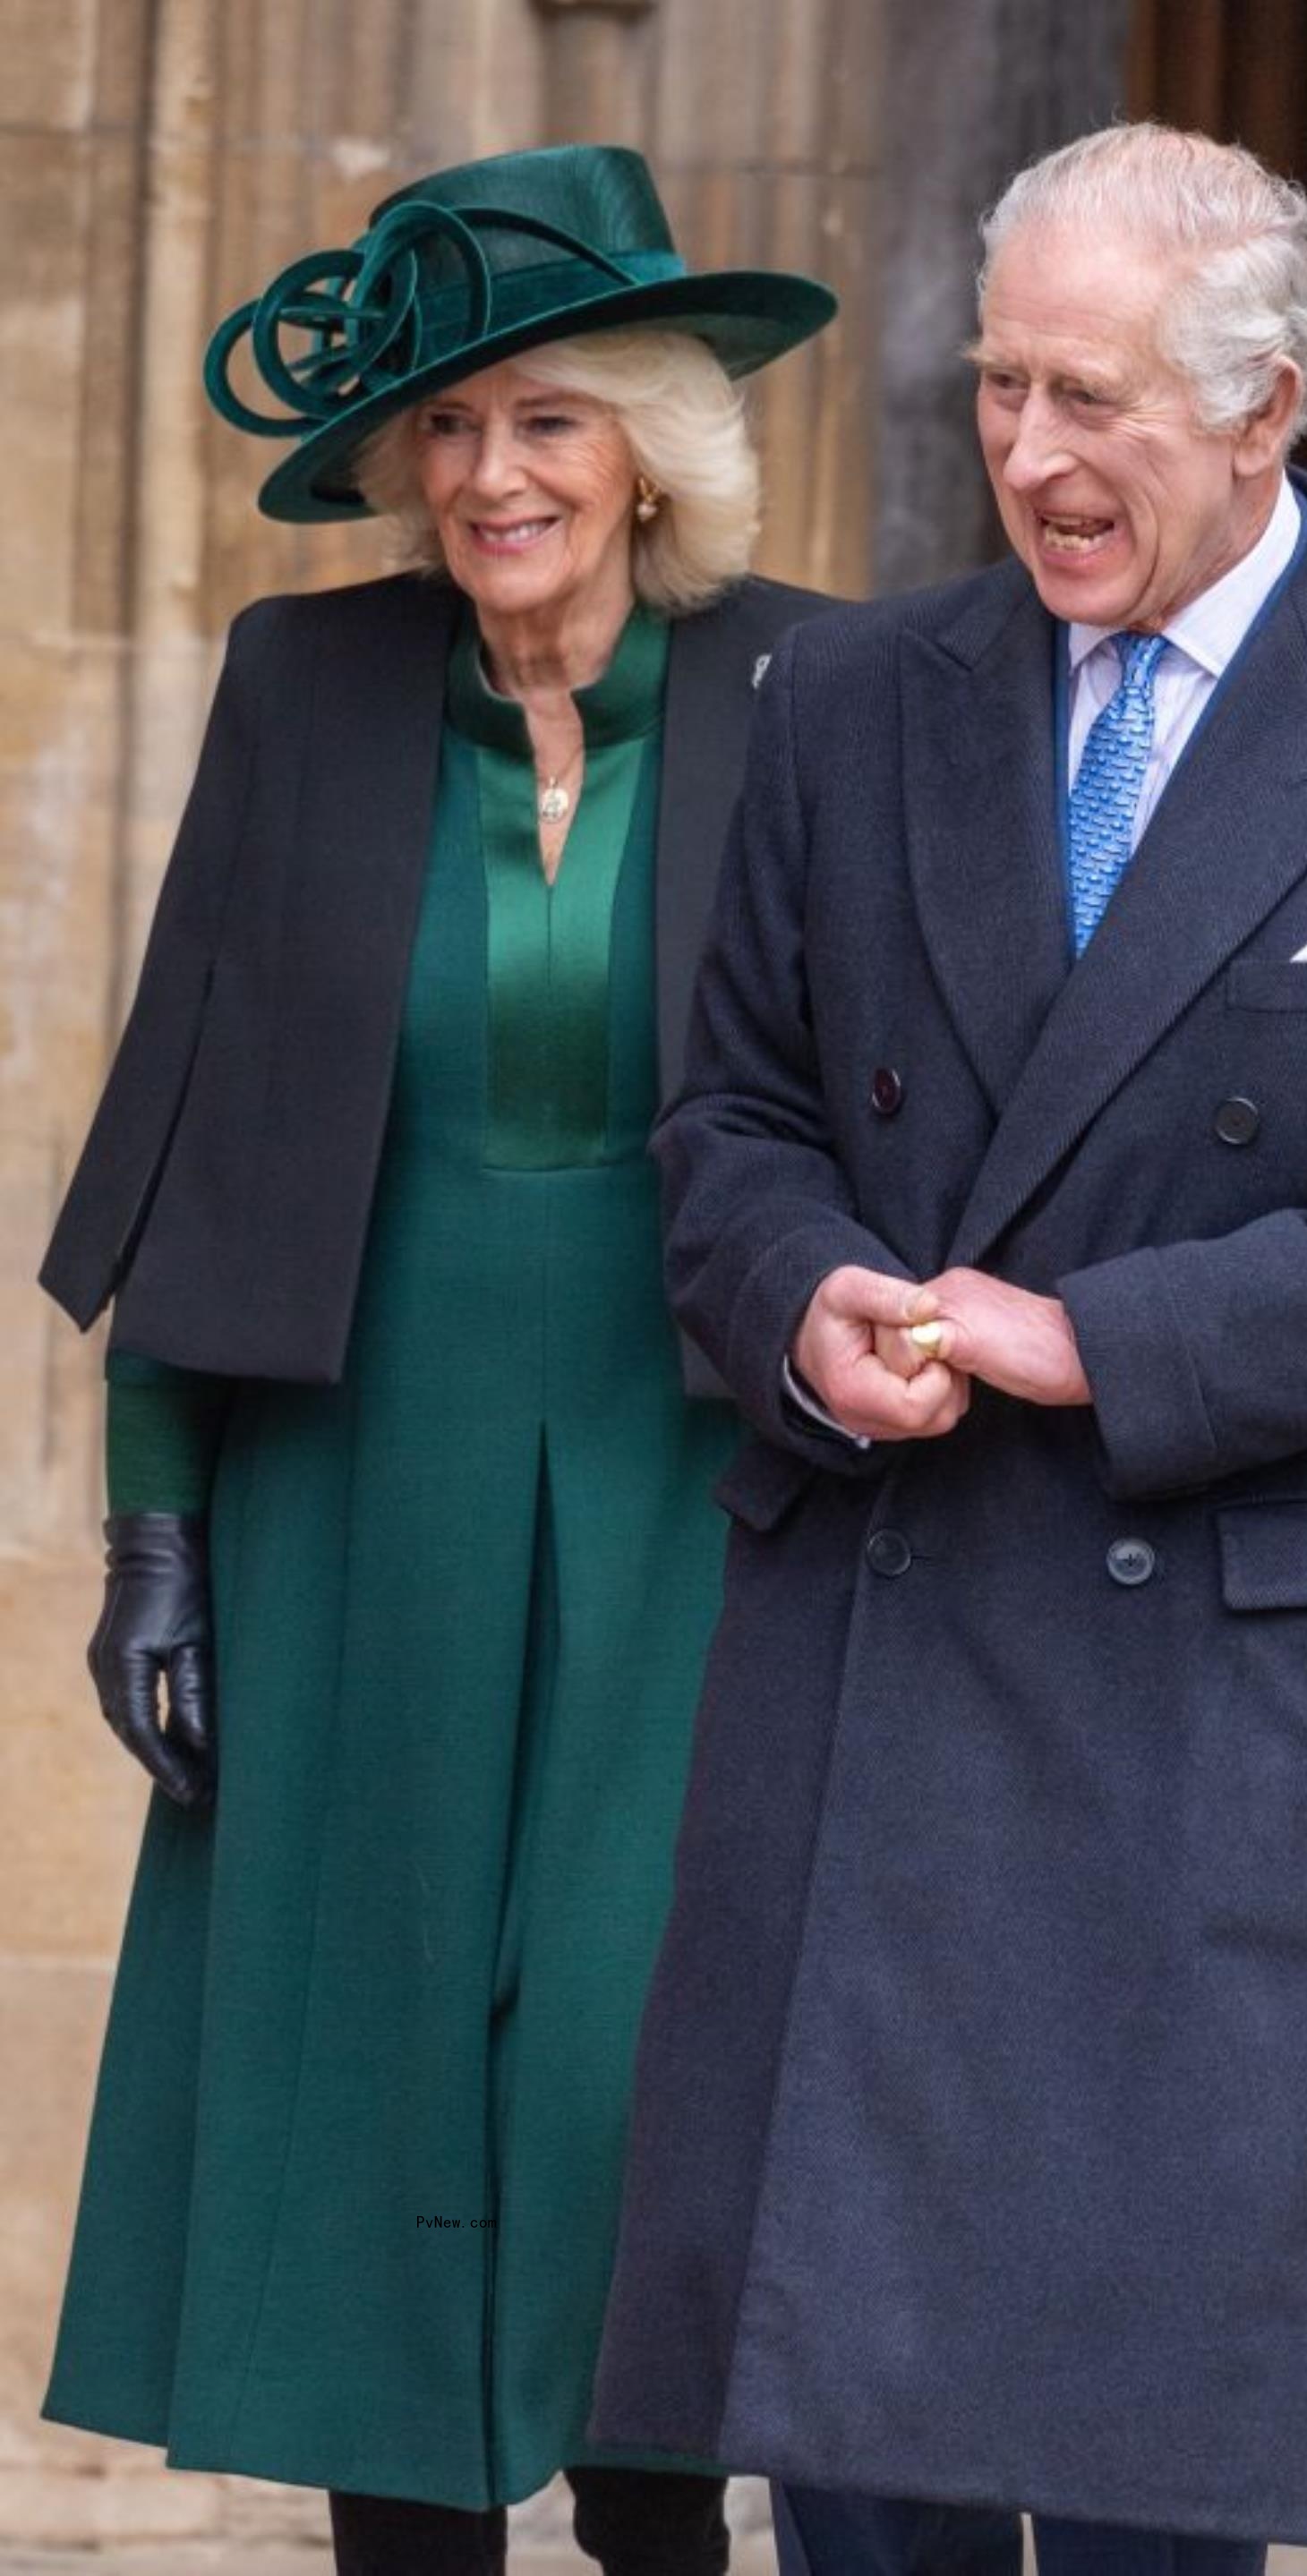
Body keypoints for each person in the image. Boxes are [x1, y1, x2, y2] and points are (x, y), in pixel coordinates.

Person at [585, 120, 1307, 2574]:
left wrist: (1099, 1336)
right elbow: (732, 1114)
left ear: (1270, 403)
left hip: (1228, 1700)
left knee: (1153, 2476)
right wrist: (799, 1302)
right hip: (885, 1653)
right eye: (999, 393)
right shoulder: (856, 697)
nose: (1033, 458)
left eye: (1097, 402)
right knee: (858, 2475)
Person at [38, 145, 833, 2576]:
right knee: (375, 2058)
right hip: (355, 1469)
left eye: (550, 426)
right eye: (453, 432)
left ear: (653, 456)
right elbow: (193, 1114)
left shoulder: (824, 682)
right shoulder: (314, 684)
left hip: (699, 1484)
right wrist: (157, 1527)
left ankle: (661, 2527)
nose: (494, 479)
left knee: (633, 2058)